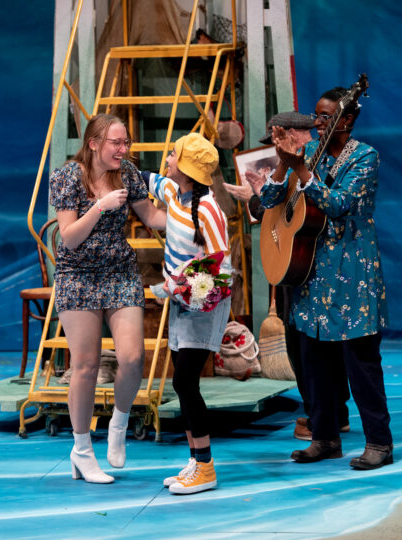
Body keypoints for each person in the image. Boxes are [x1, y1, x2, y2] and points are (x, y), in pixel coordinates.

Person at [262, 87, 393, 469]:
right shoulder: (311, 157)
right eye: (316, 116)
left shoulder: (365, 157)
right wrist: (283, 165)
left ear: (346, 120)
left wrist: (302, 170)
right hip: (312, 274)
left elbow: (339, 205)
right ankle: (325, 437)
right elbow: (271, 201)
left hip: (353, 275)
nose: (316, 123)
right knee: (313, 362)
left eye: (324, 117)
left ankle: (379, 444)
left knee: (361, 364)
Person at [49, 113, 165, 484]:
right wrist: (100, 206)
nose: (124, 149)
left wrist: (193, 217)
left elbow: (151, 216)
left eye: (126, 142)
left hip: (119, 273)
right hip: (78, 276)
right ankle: (82, 451)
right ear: (95, 144)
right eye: (117, 142)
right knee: (85, 364)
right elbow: (68, 238)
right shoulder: (68, 176)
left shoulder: (128, 174)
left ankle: (119, 423)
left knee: (132, 358)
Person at [223, 111, 351, 442]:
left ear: (294, 135)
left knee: (317, 346)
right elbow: (271, 210)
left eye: (279, 140)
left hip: (318, 264)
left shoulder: (315, 165)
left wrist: (258, 198)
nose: (274, 149)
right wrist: (256, 197)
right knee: (300, 344)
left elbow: (317, 207)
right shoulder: (288, 168)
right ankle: (326, 411)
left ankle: (329, 412)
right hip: (294, 259)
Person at [141, 132, 232, 494]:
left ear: (188, 168)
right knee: (182, 380)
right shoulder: (173, 193)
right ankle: (196, 459)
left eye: (173, 156)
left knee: (184, 383)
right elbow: (143, 177)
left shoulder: (209, 210)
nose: (167, 159)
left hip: (202, 304)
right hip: (180, 302)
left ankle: (206, 467)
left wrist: (182, 285)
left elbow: (219, 265)